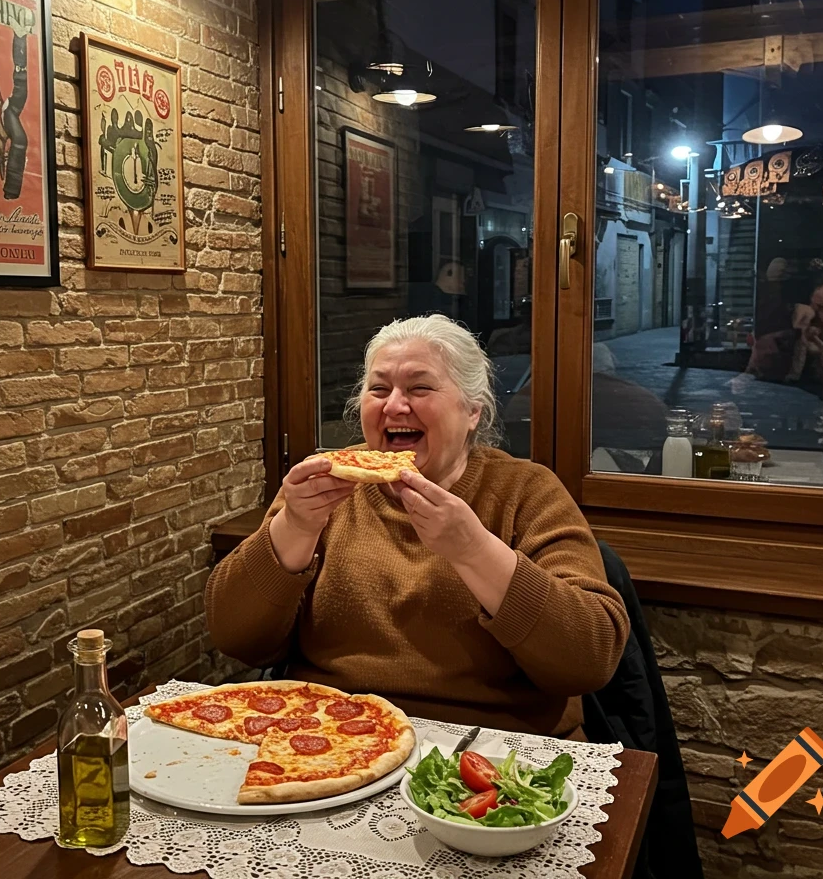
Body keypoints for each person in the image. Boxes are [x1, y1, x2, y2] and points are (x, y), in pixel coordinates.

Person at [206, 315, 630, 737]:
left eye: (419, 388)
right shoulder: (325, 485)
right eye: (378, 389)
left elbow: (588, 660)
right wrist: (295, 528)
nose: (393, 406)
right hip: (329, 735)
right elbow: (237, 639)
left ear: (472, 412)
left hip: (494, 747)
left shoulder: (526, 491)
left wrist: (473, 550)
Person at [739, 273, 823, 405]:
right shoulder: (795, 334)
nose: (811, 312)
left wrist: (822, 358)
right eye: (812, 304)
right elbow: (758, 378)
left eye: (822, 307)